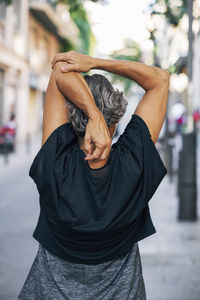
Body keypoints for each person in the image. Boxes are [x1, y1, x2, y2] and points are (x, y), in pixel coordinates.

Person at [18, 51, 170, 300]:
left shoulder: (54, 164)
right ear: (116, 118)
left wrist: (93, 114)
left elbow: (60, 70)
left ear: (69, 115)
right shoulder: (134, 162)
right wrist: (96, 63)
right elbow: (160, 79)